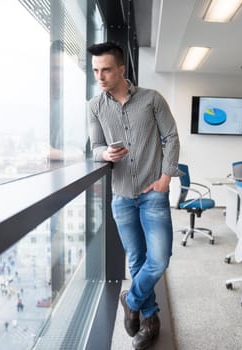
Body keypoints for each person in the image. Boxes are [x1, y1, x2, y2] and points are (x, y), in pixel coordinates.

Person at [87, 41, 182, 350]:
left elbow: (170, 136)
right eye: (95, 71)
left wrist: (166, 177)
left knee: (159, 259)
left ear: (121, 69)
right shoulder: (94, 106)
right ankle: (150, 320)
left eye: (106, 70)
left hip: (153, 191)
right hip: (121, 196)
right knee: (138, 259)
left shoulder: (152, 100)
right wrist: (107, 154)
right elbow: (95, 147)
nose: (100, 76)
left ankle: (131, 298)